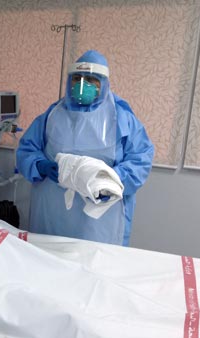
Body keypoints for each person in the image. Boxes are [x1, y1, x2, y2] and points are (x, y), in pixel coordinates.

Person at [16, 50, 154, 246]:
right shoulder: (52, 116)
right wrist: (40, 165)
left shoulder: (121, 119)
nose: (82, 84)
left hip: (99, 219)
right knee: (48, 263)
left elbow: (141, 158)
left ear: (104, 83)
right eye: (77, 78)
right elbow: (26, 150)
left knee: (95, 266)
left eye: (91, 79)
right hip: (53, 213)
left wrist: (112, 180)